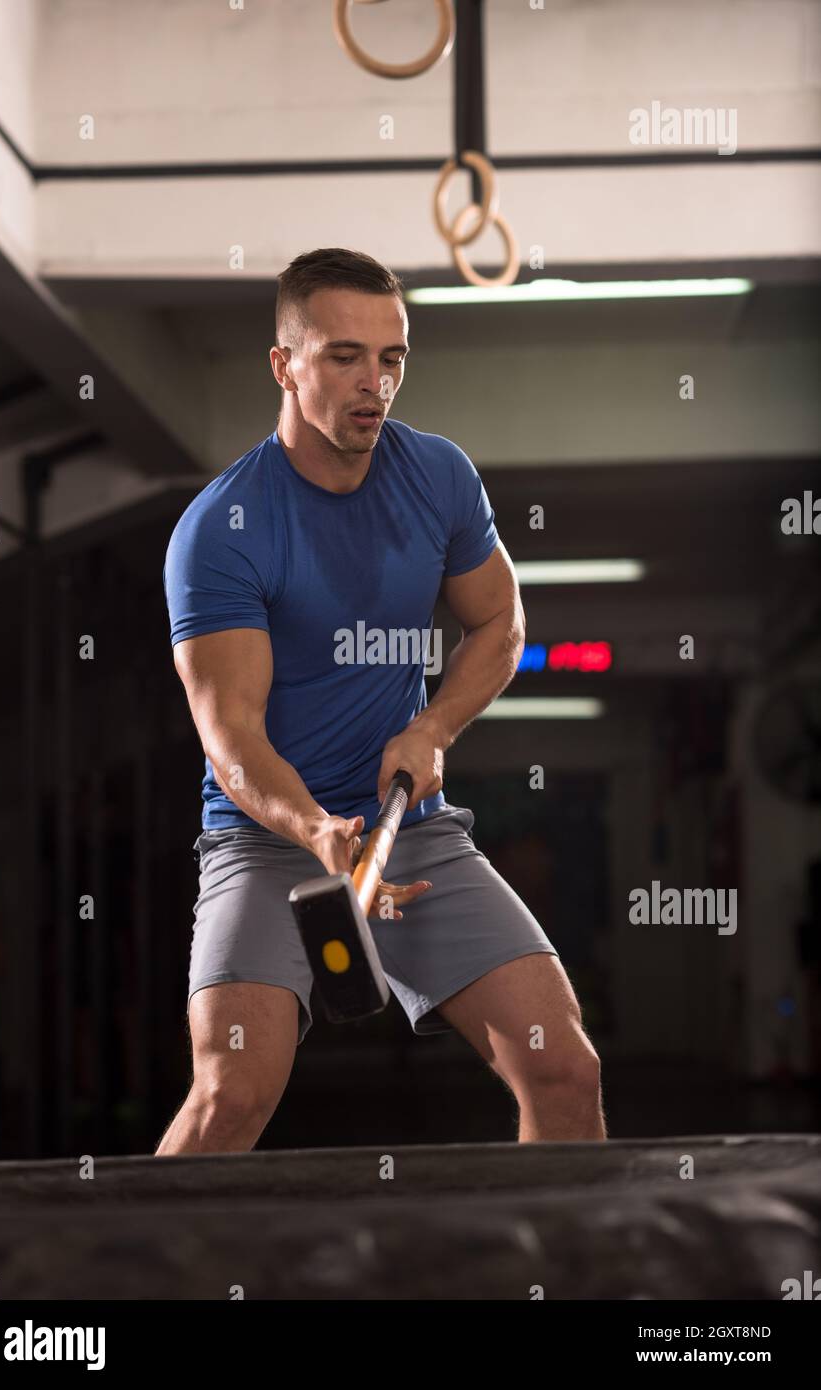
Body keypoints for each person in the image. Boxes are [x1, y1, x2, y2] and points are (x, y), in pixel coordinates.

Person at [157, 247, 605, 1154]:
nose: (375, 382)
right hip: (268, 839)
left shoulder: (436, 476)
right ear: (284, 366)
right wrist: (315, 829)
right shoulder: (222, 529)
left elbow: (499, 625)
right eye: (343, 356)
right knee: (229, 1096)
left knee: (562, 1066)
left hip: (414, 828)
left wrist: (432, 726)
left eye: (392, 357)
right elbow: (230, 734)